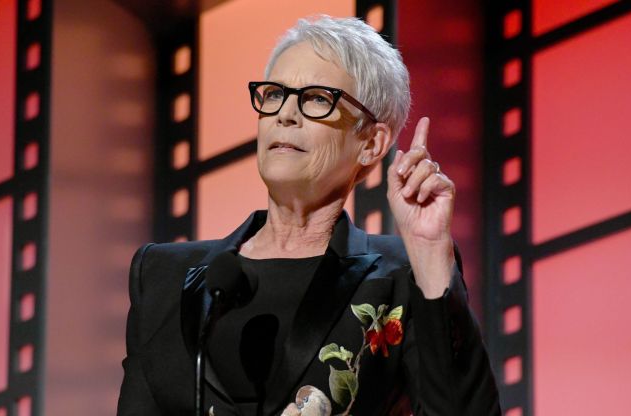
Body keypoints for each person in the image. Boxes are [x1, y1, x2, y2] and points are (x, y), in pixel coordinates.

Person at [117, 15, 500, 416]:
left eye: (317, 98)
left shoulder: (399, 277)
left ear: (371, 143)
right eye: (274, 95)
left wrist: (429, 250)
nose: (285, 114)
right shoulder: (163, 276)